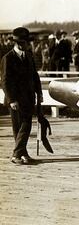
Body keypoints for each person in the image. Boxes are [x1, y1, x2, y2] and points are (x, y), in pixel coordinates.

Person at [0, 27, 42, 165]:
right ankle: (18, 154)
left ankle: (21, 154)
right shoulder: (8, 58)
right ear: (18, 43)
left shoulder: (29, 56)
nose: (27, 45)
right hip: (15, 100)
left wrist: (39, 92)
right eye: (24, 43)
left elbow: (35, 76)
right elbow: (5, 81)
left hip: (28, 97)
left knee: (24, 126)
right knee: (20, 127)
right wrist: (11, 99)